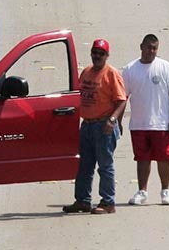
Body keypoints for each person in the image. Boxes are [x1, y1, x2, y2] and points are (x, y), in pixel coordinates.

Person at [62, 39, 126, 215]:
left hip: (103, 126)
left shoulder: (111, 74)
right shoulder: (87, 72)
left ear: (107, 55)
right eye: (95, 52)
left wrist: (112, 120)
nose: (97, 56)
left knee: (105, 166)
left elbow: (121, 101)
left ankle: (108, 202)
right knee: (84, 165)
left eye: (101, 53)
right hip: (87, 125)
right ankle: (82, 200)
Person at [122, 34, 169, 206]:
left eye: (155, 47)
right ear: (141, 46)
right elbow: (122, 97)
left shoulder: (165, 67)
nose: (152, 51)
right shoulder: (130, 69)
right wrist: (117, 121)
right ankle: (142, 191)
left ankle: (165, 191)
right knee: (142, 158)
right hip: (139, 124)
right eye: (149, 47)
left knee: (164, 158)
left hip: (162, 124)